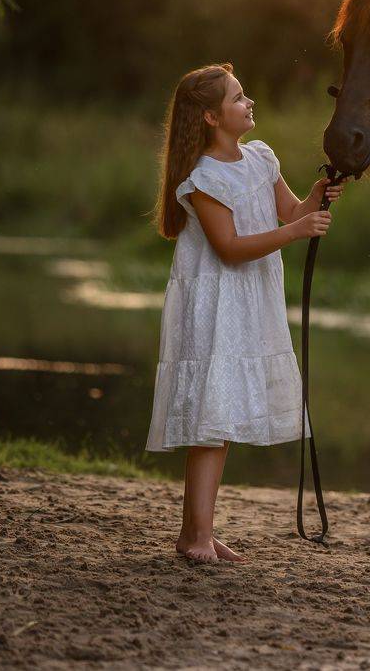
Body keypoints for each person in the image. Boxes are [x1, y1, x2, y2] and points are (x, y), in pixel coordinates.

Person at [147, 62, 344, 563]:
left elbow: (291, 212)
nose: (249, 102)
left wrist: (316, 199)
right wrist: (297, 234)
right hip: (216, 305)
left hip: (249, 301)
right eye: (238, 98)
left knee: (224, 416)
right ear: (212, 117)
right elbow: (230, 247)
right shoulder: (204, 178)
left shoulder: (260, 159)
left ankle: (198, 532)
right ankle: (196, 536)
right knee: (212, 420)